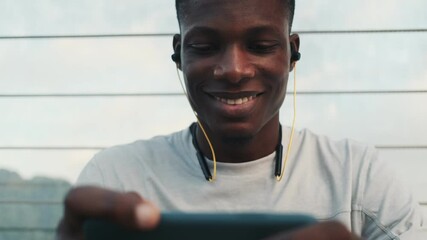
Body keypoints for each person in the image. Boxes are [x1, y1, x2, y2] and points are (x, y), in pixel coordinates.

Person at [56, 0, 425, 239]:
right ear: (178, 54)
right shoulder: (116, 177)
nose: (233, 70)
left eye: (261, 46)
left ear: (293, 53)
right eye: (204, 46)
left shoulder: (358, 177)